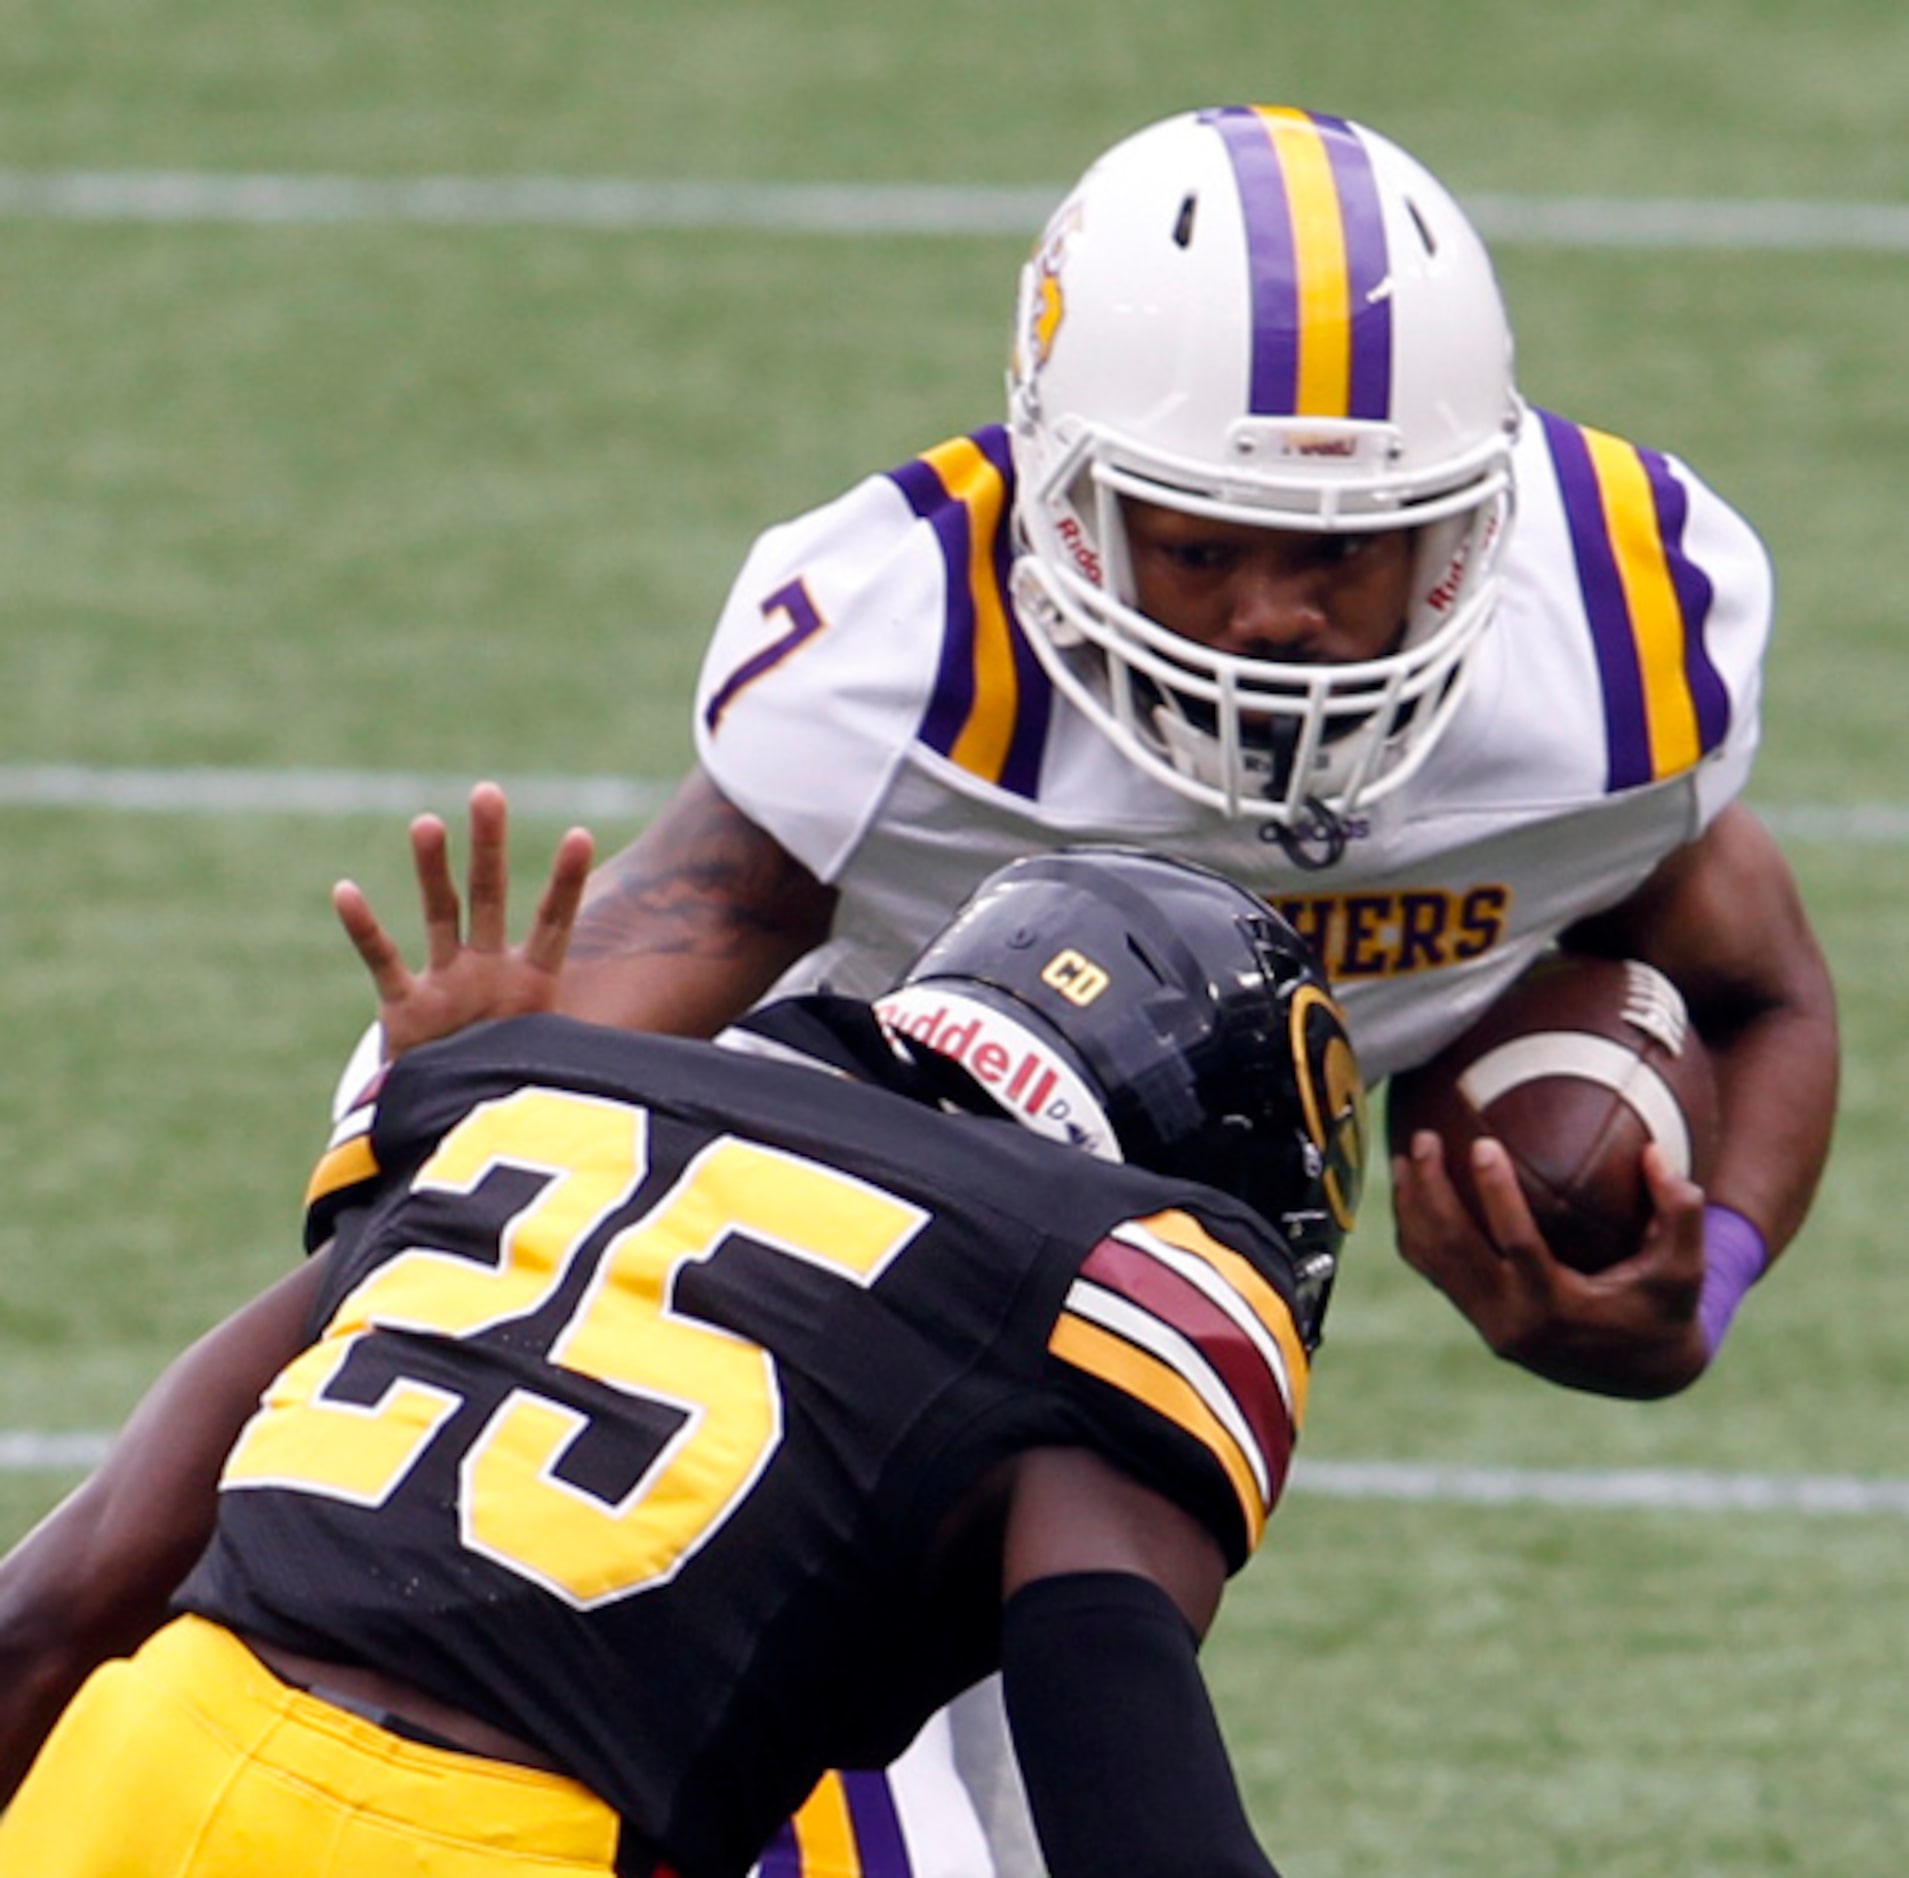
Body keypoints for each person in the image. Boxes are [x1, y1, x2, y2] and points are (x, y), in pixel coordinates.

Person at [555, 102, 1836, 1405]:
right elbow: (556, 1064)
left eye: (1340, 548)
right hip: (856, 1203)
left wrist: (1699, 1285)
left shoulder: (1609, 659)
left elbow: (1761, 996)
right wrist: (434, 1105)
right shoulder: (914, 676)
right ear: (1070, 508)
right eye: (1201, 548)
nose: (1272, 616)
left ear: (1459, 528)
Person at [0, 784, 1367, 1878]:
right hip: (503, 1835)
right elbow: (1140, 1837)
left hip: (137, 1750)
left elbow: (55, 1603)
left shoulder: (529, 1103)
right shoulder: (1091, 1281)